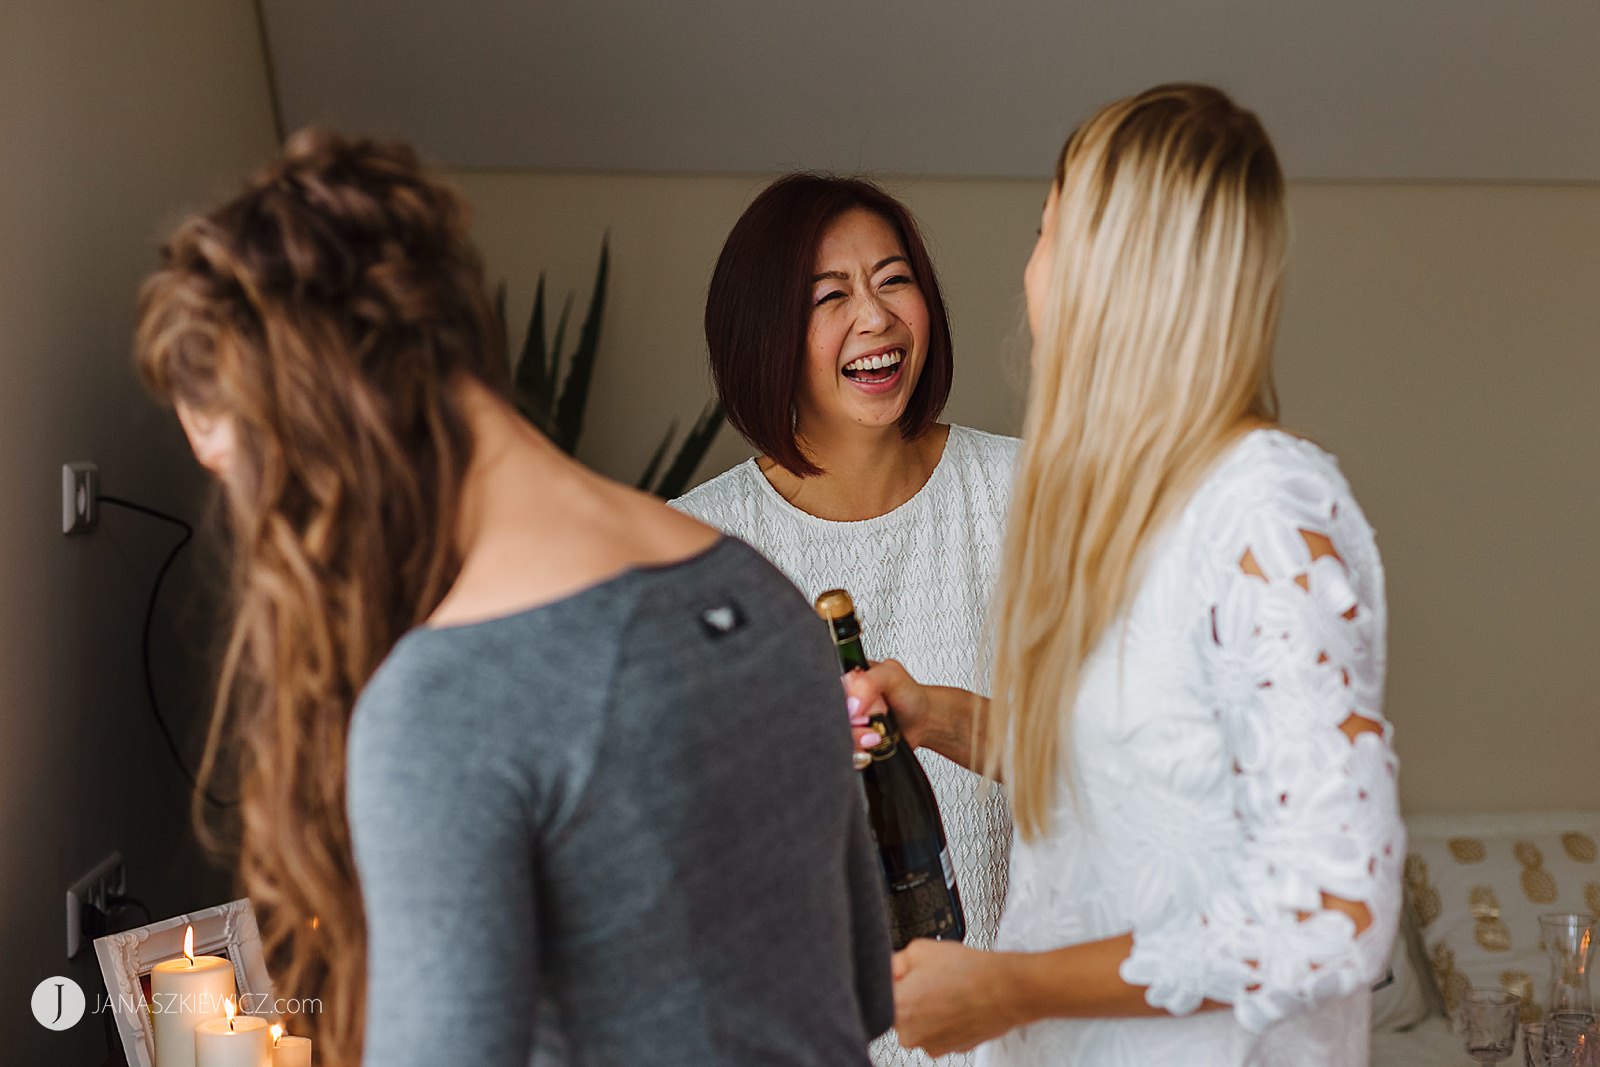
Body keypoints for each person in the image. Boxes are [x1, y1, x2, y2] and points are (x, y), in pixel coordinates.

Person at [134, 131, 893, 1066]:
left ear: (320, 421)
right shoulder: (754, 587)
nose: (264, 523)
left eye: (243, 468)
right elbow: (858, 988)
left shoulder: (449, 701)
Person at [842, 84, 1404, 1065]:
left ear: (1115, 269)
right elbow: (1131, 775)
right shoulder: (1136, 506)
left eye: (1045, 229)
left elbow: (1335, 909)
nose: (1030, 269)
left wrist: (1009, 983)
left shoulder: (1266, 511)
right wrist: (935, 713)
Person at [671, 173, 1019, 1066]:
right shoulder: (696, 547)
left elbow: (1110, 753)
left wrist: (939, 717)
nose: (876, 319)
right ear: (768, 337)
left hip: (1024, 1030)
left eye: (893, 280)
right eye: (831, 297)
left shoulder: (1028, 496)